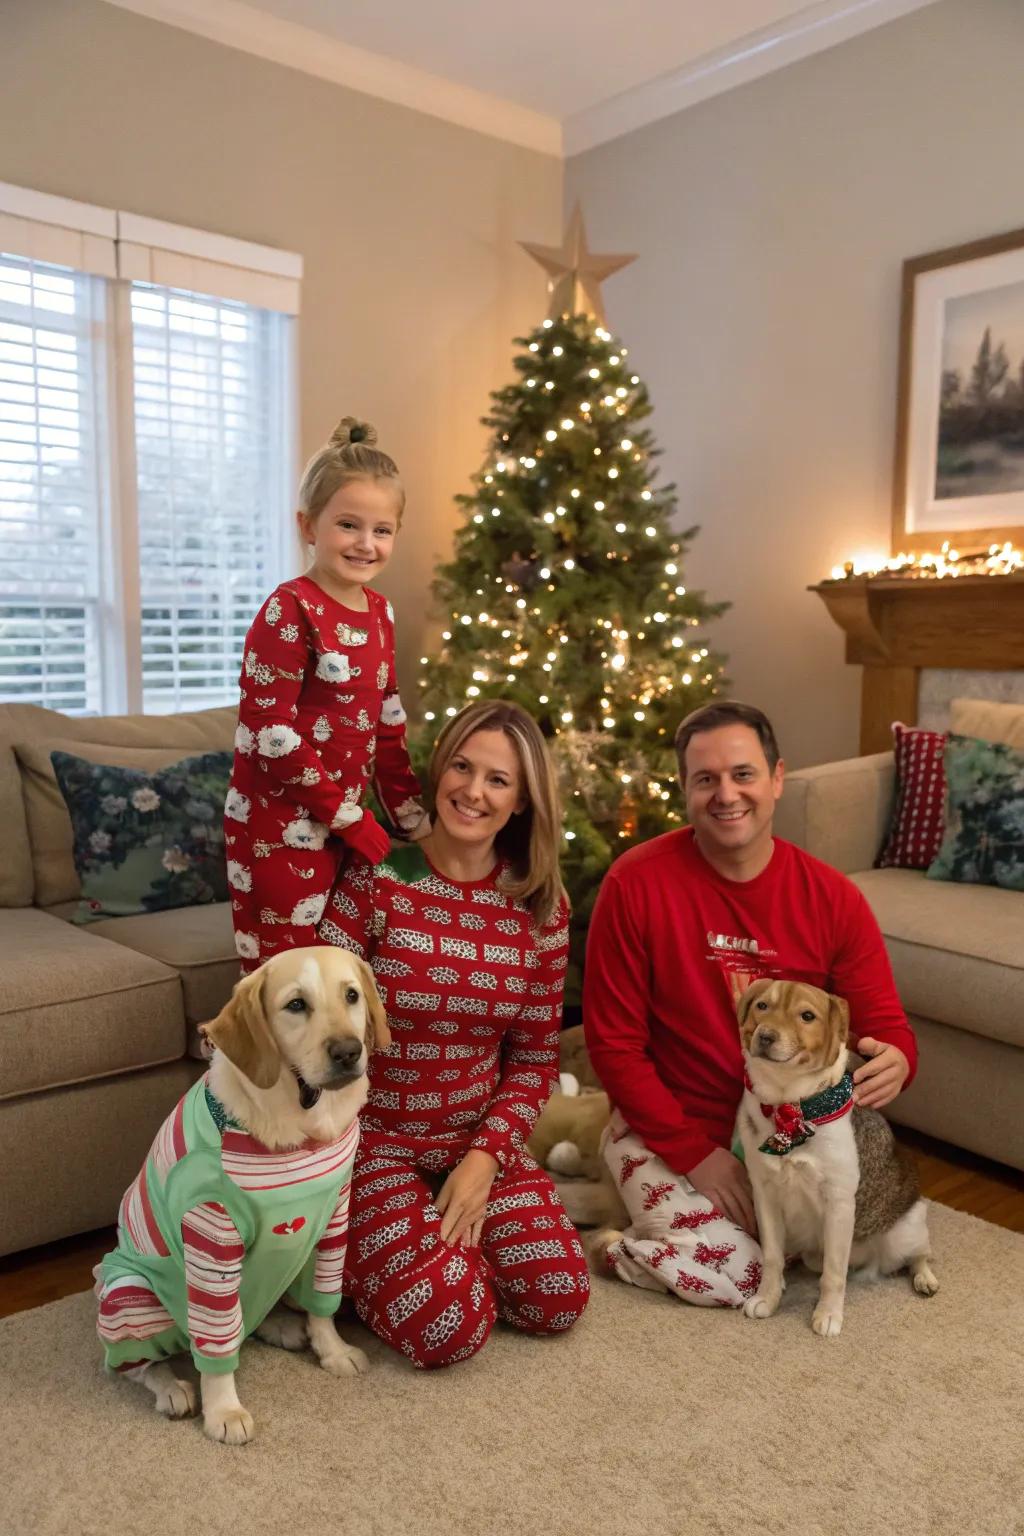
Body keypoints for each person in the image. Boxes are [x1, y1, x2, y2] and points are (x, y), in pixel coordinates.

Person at [582, 700, 918, 1307]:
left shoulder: (834, 899)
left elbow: (884, 1027)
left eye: (743, 774)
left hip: (781, 1139)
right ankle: (615, 1241)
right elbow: (612, 1045)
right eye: (704, 779)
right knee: (737, 1278)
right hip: (666, 1130)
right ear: (683, 788)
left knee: (799, 1249)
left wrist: (898, 1058)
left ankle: (610, 1205)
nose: (725, 794)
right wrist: (698, 1158)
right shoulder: (635, 884)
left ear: (777, 779)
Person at [317, 699, 590, 1368]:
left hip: (474, 1141)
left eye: (498, 780)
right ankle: (361, 1259)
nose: (473, 791)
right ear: (439, 770)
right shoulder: (379, 878)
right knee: (448, 1328)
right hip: (371, 1144)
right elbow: (318, 1028)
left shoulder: (540, 908)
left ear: (523, 800)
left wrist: (486, 1160)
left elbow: (531, 1061)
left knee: (557, 1296)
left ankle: (417, 1260)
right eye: (462, 768)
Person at [225, 417, 427, 974]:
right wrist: (345, 817)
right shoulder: (288, 609)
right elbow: (271, 731)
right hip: (277, 827)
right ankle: (242, 1063)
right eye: (348, 525)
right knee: (283, 975)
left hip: (346, 823)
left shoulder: (383, 614)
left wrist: (412, 818)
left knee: (337, 970)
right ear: (307, 526)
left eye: (382, 530)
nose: (366, 544)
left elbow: (387, 724)